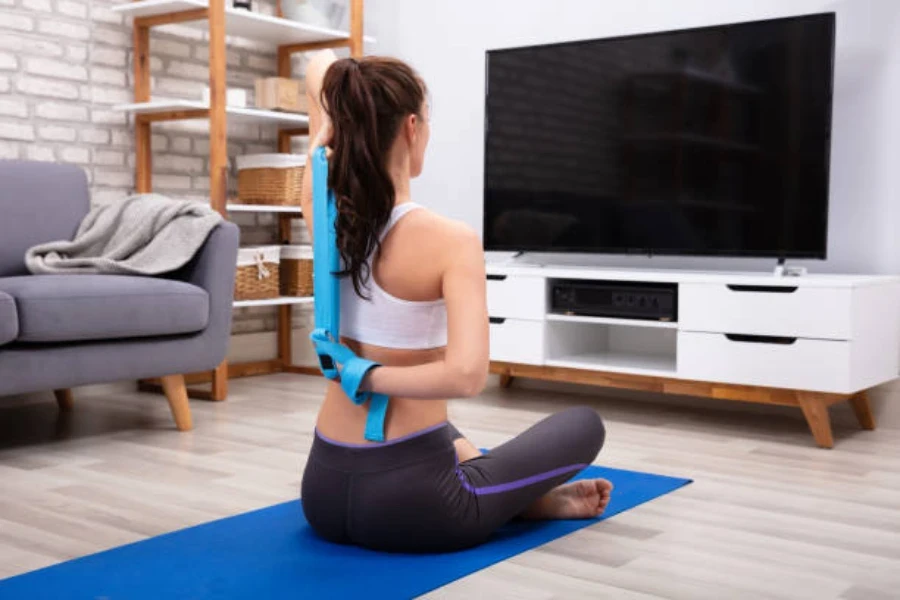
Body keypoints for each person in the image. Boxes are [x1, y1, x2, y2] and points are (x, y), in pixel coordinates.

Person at [299, 51, 611, 553]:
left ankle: (518, 497)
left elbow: (318, 64)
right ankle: (521, 501)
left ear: (342, 127)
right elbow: (467, 375)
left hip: (323, 494)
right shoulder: (450, 239)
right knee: (583, 426)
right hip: (415, 506)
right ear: (411, 128)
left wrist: (328, 126)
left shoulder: (321, 213)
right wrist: (369, 375)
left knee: (437, 419)